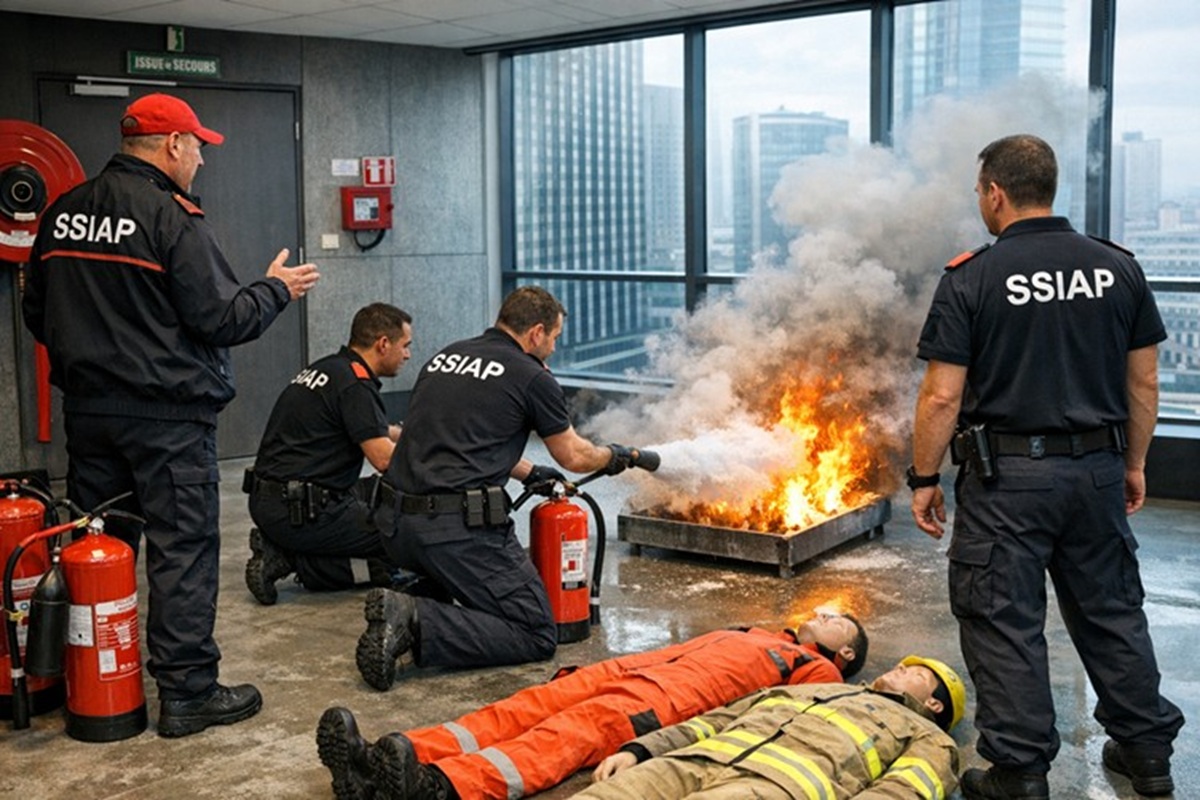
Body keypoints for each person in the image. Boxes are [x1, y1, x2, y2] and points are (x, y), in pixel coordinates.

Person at [22, 93, 320, 737]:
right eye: (199, 149)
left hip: (91, 415)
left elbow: (35, 312)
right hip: (168, 421)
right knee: (181, 549)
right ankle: (187, 692)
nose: (202, 163)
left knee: (100, 546)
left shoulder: (63, 212)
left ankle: (95, 684)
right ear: (172, 147)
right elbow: (222, 318)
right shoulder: (171, 217)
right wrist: (277, 289)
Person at [910, 134, 1184, 799]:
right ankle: (1146, 753)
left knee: (1004, 618)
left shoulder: (971, 276)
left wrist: (922, 479)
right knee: (1112, 609)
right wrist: (1134, 463)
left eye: (980, 191)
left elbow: (943, 395)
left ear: (996, 192)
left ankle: (1020, 771)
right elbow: (1144, 386)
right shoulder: (1116, 267)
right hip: (1095, 469)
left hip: (1006, 483)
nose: (980, 202)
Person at [354, 285, 655, 691]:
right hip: (453, 533)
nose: (552, 346)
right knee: (533, 629)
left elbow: (464, 438)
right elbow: (575, 456)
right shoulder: (531, 376)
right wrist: (614, 454)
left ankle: (422, 597)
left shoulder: (447, 356)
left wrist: (529, 471)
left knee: (473, 594)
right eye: (554, 337)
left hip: (393, 527)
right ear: (535, 332)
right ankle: (414, 618)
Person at [316, 609, 869, 800]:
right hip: (630, 672)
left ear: (844, 650)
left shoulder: (816, 670)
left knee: (550, 743)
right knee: (515, 712)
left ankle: (443, 787)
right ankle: (389, 761)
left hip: (661, 703)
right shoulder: (765, 634)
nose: (823, 612)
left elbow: (762, 721)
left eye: (837, 620)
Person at [574, 655, 964, 799]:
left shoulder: (929, 737)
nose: (900, 667)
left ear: (934, 703)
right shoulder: (822, 689)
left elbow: (900, 793)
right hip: (691, 761)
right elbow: (717, 720)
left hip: (769, 788)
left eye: (915, 673)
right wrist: (640, 750)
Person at [245, 303, 412, 604]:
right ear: (383, 344)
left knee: (379, 491)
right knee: (407, 528)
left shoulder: (330, 368)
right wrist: (441, 466)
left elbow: (369, 426)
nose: (408, 355)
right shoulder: (355, 385)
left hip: (273, 500)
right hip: (302, 512)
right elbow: (385, 459)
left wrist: (414, 435)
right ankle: (292, 560)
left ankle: (287, 550)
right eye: (405, 346)